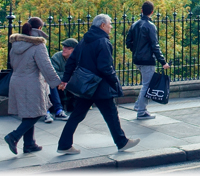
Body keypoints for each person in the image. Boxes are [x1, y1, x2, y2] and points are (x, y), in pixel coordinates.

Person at [57, 14, 139, 154]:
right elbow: (105, 67)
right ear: (102, 25)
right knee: (111, 114)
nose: (111, 26)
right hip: (100, 86)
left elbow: (71, 61)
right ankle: (122, 142)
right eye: (109, 24)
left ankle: (64, 145)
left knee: (77, 115)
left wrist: (65, 79)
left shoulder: (84, 40)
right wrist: (115, 81)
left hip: (86, 86)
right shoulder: (103, 42)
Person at [3, 17, 62, 155]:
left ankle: (29, 144)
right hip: (32, 82)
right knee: (39, 112)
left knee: (28, 113)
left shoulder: (16, 44)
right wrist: (57, 83)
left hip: (17, 81)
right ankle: (14, 136)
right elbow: (46, 66)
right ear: (39, 29)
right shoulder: (38, 45)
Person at [126, 1, 170, 120]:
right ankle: (141, 111)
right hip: (147, 60)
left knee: (146, 83)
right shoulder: (150, 26)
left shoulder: (135, 25)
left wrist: (136, 50)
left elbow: (128, 42)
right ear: (152, 12)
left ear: (141, 10)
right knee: (147, 85)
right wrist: (163, 62)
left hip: (137, 59)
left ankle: (138, 105)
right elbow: (155, 46)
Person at [48, 38, 78, 120]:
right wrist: (65, 79)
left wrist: (67, 79)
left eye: (68, 48)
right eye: (64, 47)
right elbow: (53, 74)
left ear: (74, 50)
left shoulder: (78, 59)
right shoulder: (57, 57)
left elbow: (78, 74)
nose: (64, 49)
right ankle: (59, 109)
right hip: (59, 83)